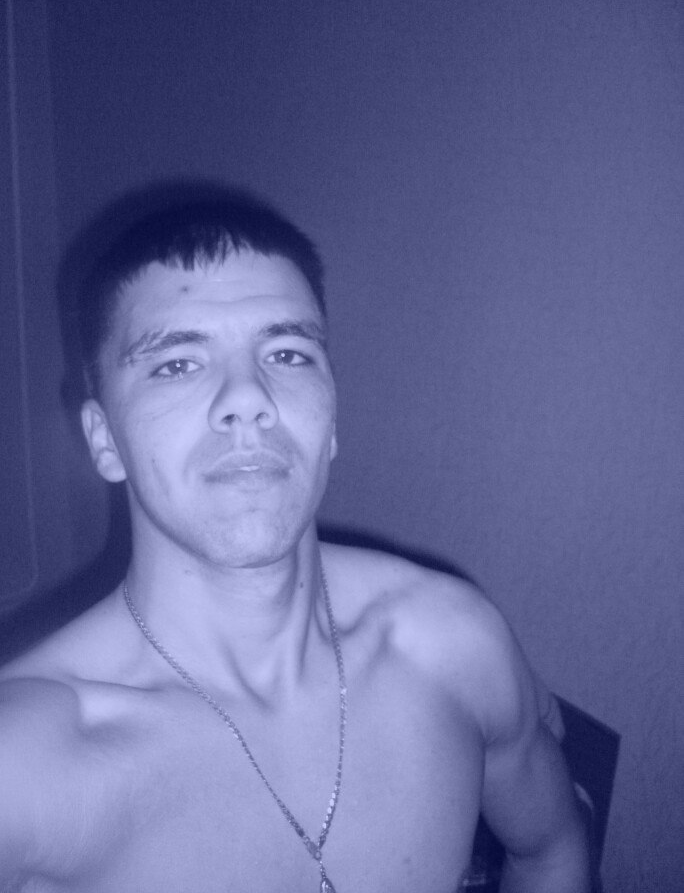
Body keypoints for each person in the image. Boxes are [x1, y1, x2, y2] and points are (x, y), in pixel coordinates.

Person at [0, 191, 589, 893]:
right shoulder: (25, 767)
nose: (248, 397)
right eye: (177, 364)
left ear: (330, 418)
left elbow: (550, 850)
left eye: (286, 353)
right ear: (104, 440)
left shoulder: (457, 644)